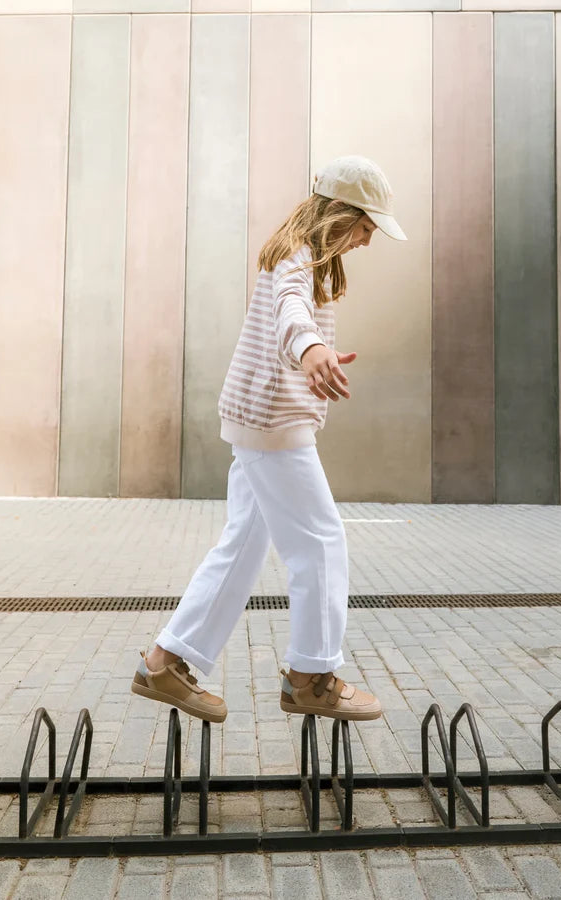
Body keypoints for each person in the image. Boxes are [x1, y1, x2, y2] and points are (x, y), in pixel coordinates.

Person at [131, 155, 407, 724]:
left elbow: (292, 307)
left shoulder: (295, 254)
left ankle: (166, 662)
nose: (367, 241)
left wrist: (309, 349)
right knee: (323, 542)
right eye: (365, 227)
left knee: (243, 546)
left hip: (260, 423)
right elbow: (290, 314)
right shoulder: (296, 260)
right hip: (274, 427)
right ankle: (312, 676)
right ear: (341, 216)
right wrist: (310, 350)